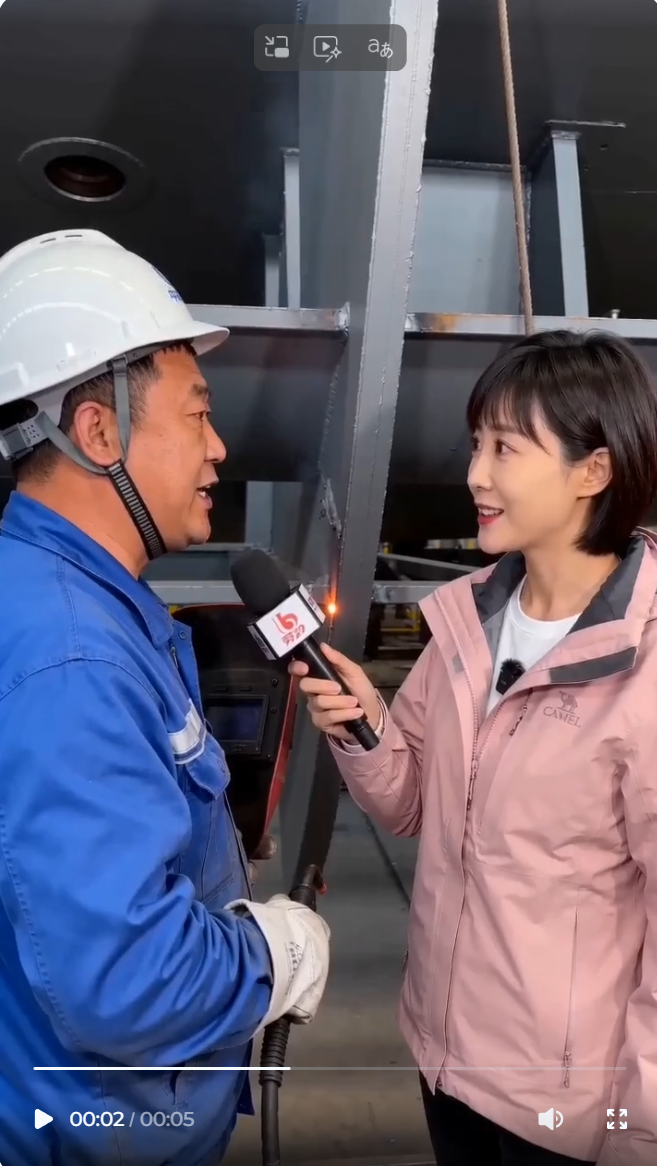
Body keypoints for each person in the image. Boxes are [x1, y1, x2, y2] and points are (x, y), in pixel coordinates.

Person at [0, 229, 330, 1166]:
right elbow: (126, 981)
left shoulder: (58, 598)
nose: (218, 448)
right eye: (197, 414)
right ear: (99, 432)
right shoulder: (73, 660)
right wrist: (272, 955)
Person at [291, 329, 657, 1166]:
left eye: (504, 449)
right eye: (474, 445)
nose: (474, 476)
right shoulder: (468, 620)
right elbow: (407, 801)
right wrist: (365, 726)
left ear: (592, 472)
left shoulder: (642, 664)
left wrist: (639, 1129)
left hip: (567, 1103)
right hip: (445, 1058)